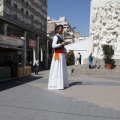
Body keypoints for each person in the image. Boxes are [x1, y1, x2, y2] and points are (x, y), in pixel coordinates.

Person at [48, 25, 69, 90]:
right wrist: (61, 44)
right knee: (57, 68)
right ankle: (55, 84)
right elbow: (53, 45)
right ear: (57, 30)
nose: (62, 30)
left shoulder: (60, 37)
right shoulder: (55, 37)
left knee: (61, 69)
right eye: (61, 28)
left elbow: (62, 47)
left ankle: (61, 84)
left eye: (62, 28)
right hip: (57, 54)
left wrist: (67, 51)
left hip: (61, 54)